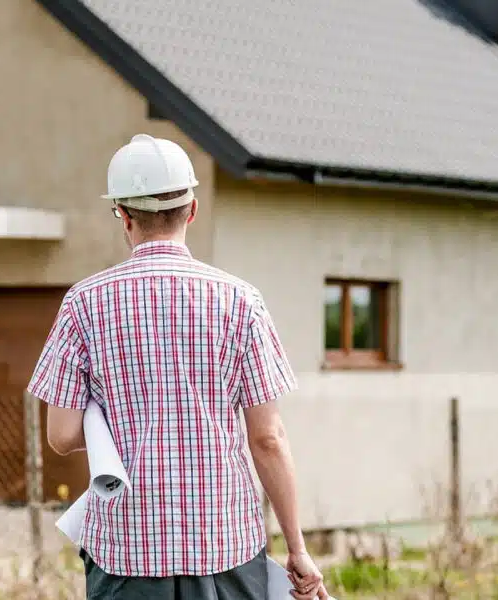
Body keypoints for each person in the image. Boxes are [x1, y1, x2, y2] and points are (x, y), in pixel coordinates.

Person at [27, 134, 329, 600]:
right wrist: (297, 548)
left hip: (126, 551)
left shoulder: (83, 304)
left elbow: (62, 436)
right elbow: (267, 439)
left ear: (123, 216)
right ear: (191, 210)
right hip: (225, 545)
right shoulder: (240, 302)